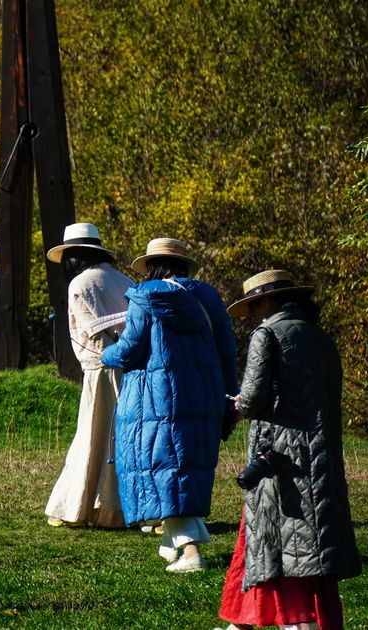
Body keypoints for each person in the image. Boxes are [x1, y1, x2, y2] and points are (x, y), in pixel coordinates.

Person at [216, 270, 361, 630]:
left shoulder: (267, 334)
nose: (253, 314)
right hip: (321, 453)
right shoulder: (321, 338)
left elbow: (251, 399)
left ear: (268, 301)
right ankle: (245, 622)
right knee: (310, 544)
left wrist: (232, 407)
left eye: (255, 305)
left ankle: (298, 623)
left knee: (284, 541)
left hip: (281, 454)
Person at [100, 238, 237, 573]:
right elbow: (226, 351)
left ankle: (191, 554)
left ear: (150, 267)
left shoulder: (144, 297)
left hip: (156, 396)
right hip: (203, 394)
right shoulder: (207, 297)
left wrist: (107, 353)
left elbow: (131, 348)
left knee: (164, 467)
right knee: (181, 468)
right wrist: (229, 396)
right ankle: (172, 545)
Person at [43, 223, 135, 528]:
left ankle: (78, 508)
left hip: (101, 368)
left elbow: (93, 330)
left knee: (92, 436)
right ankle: (118, 511)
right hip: (132, 368)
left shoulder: (80, 284)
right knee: (122, 438)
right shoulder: (125, 280)